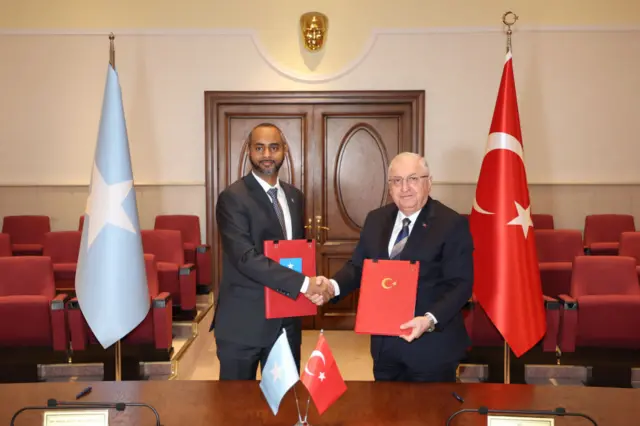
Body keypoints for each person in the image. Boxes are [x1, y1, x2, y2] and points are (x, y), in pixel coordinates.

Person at [313, 152, 473, 382]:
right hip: (385, 347)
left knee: (429, 416)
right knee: (386, 413)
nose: (405, 187)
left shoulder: (451, 223)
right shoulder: (376, 219)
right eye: (397, 181)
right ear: (389, 187)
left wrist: (428, 320)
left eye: (413, 179)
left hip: (430, 347)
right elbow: (359, 266)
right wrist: (332, 286)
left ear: (429, 182)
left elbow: (461, 285)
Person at [211, 123, 334, 381]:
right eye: (259, 148)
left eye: (274, 147)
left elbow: (294, 253)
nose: (267, 154)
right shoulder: (232, 198)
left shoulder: (294, 197)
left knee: (285, 404)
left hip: (286, 321)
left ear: (284, 151)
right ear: (249, 151)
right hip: (243, 323)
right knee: (235, 410)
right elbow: (245, 258)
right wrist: (304, 284)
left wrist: (312, 282)